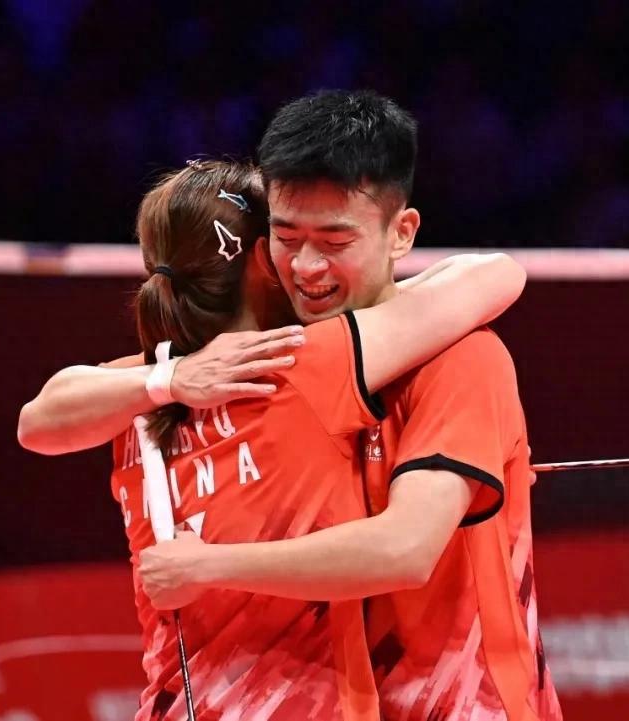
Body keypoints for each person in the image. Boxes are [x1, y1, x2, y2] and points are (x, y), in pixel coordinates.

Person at [19, 157, 527, 720]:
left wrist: (169, 379)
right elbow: (496, 277)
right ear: (265, 258)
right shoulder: (305, 363)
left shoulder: (134, 400)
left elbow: (35, 422)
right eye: (286, 240)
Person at [139, 90, 562, 720]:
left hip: (468, 706)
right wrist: (163, 383)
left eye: (335, 241)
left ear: (402, 233)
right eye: (287, 238)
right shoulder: (276, 358)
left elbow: (406, 549)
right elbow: (47, 414)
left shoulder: (465, 360)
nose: (306, 267)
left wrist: (205, 566)